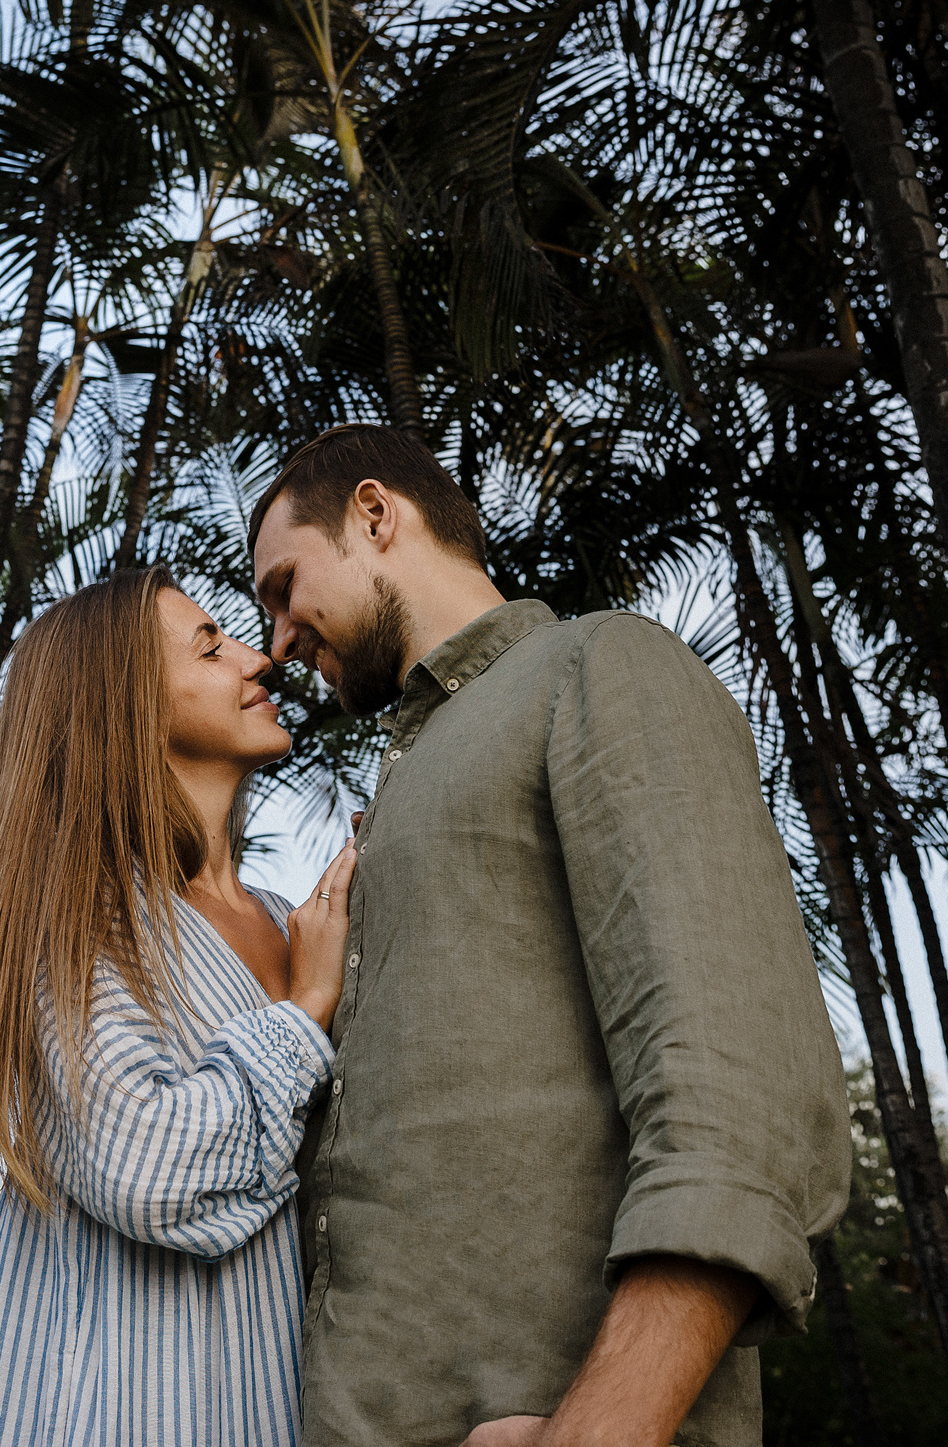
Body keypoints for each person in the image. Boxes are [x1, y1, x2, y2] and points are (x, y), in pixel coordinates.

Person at [248, 425, 850, 1447]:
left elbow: (734, 1103)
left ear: (375, 514)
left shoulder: (597, 667)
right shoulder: (403, 785)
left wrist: (601, 1428)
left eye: (283, 585)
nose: (276, 643)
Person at [0, 565, 357, 1447]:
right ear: (126, 707)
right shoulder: (81, 918)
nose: (258, 659)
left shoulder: (295, 921)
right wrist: (306, 1008)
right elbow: (146, 1167)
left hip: (272, 1408)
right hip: (111, 1412)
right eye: (210, 648)